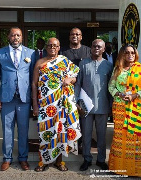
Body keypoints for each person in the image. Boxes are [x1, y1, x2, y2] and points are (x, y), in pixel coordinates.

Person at [32, 38, 81, 172]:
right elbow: (34, 84)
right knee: (45, 133)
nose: (52, 47)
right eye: (50, 45)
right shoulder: (40, 63)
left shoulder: (64, 61)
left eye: (55, 45)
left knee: (60, 132)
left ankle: (60, 161)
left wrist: (70, 79)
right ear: (46, 47)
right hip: (46, 106)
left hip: (62, 105)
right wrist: (35, 105)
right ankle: (44, 161)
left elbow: (75, 76)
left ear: (59, 47)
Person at [0, 27, 36, 171]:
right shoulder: (0, 53)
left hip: (24, 98)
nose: (15, 38)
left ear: (22, 37)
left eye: (18, 35)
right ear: (8, 37)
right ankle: (7, 158)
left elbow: (33, 78)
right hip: (7, 98)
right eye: (12, 35)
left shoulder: (31, 53)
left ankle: (23, 158)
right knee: (7, 129)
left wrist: (33, 98)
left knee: (23, 129)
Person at [108, 44, 141, 177]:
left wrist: (135, 95)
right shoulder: (118, 69)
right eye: (127, 53)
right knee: (120, 136)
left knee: (134, 137)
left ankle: (136, 169)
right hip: (120, 108)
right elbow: (111, 87)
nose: (130, 55)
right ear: (122, 54)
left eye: (132, 52)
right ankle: (119, 168)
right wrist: (120, 95)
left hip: (135, 108)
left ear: (136, 54)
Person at [75, 39, 113, 171]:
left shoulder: (108, 65)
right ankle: (87, 159)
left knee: (102, 136)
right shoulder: (83, 63)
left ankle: (101, 160)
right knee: (86, 135)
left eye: (99, 46)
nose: (96, 48)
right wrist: (76, 101)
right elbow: (78, 83)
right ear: (90, 48)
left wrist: (111, 105)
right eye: (94, 46)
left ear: (103, 50)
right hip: (85, 106)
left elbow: (111, 87)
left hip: (102, 106)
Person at [60, 27, 91, 153]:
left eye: (78, 34)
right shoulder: (63, 52)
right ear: (69, 37)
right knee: (69, 118)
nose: (75, 36)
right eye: (72, 34)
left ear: (81, 37)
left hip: (85, 90)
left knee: (84, 119)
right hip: (68, 90)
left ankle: (83, 146)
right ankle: (70, 145)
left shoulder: (88, 51)